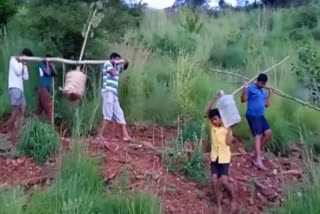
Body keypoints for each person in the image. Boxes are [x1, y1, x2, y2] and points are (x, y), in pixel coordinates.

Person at [206, 93, 237, 214]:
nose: (214, 121)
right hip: (215, 157)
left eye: (216, 119)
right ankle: (219, 205)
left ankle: (233, 199)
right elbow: (207, 112)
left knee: (224, 180)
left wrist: (229, 131)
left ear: (221, 118)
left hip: (224, 158)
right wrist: (214, 98)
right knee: (214, 180)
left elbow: (229, 143)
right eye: (212, 119)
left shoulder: (226, 129)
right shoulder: (212, 127)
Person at [97, 52, 132, 142]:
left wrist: (126, 62)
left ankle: (126, 135)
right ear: (112, 58)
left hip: (114, 94)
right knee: (107, 115)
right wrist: (115, 63)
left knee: (120, 114)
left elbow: (125, 67)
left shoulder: (117, 67)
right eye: (117, 59)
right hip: (108, 92)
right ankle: (99, 135)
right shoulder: (108, 64)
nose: (118, 61)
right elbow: (112, 73)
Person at [241, 73, 272, 170]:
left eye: (264, 84)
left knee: (268, 133)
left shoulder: (263, 92)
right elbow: (243, 100)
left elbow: (266, 105)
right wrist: (245, 88)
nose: (263, 85)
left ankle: (256, 153)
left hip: (260, 115)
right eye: (262, 83)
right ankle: (258, 160)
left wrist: (270, 94)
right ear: (257, 81)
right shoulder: (250, 88)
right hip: (252, 115)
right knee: (258, 136)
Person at [6, 48, 33, 139]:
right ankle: (9, 128)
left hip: (20, 90)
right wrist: (22, 63)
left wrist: (25, 66)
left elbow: (26, 77)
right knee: (15, 110)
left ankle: (18, 130)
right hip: (14, 88)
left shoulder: (22, 64)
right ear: (23, 55)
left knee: (23, 107)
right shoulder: (13, 60)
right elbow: (17, 72)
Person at [36, 54, 56, 123]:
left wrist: (52, 66)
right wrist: (47, 63)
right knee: (49, 107)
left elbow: (55, 73)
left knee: (40, 109)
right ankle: (50, 125)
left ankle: (36, 124)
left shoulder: (50, 67)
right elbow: (47, 72)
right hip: (43, 88)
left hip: (46, 89)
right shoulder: (42, 65)